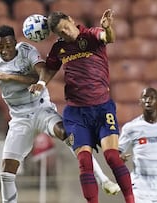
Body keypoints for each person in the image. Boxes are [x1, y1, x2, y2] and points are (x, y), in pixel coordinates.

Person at [0, 25, 120, 203]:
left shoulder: (27, 51)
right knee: (6, 171)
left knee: (68, 134)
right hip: (19, 118)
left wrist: (10, 77)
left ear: (14, 42)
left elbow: (42, 75)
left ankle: (104, 180)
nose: (5, 50)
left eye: (8, 45)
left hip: (41, 108)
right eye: (1, 47)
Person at [29, 9, 134, 203]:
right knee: (84, 162)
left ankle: (131, 200)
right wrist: (41, 83)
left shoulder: (91, 35)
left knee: (112, 156)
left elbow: (107, 38)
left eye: (66, 28)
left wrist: (108, 28)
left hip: (102, 108)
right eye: (61, 33)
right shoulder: (59, 48)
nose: (66, 34)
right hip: (76, 112)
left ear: (71, 19)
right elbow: (50, 69)